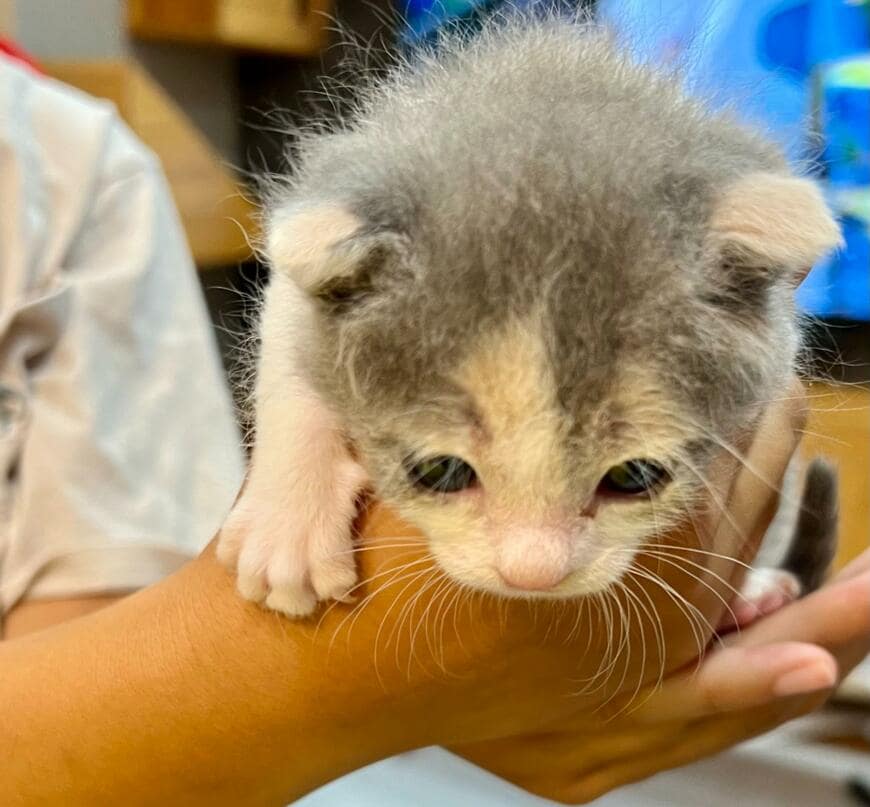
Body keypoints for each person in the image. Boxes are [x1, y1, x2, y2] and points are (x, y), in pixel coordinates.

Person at [2, 43, 869, 807]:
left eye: (630, 473)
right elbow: (307, 300)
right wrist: (295, 479)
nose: (532, 567)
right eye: (444, 469)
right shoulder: (308, 238)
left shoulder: (71, 166)